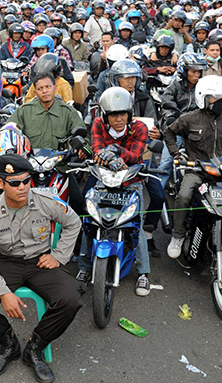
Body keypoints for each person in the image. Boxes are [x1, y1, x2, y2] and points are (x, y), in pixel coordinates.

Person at [0, 154, 81, 383]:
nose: (23, 187)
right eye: (15, 183)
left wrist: (58, 256)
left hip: (39, 262)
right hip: (6, 263)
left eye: (27, 181)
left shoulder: (46, 202)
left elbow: (73, 222)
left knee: (70, 300)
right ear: (0, 183)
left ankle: (35, 347)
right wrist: (3, 293)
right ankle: (9, 344)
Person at [77, 87, 163, 294]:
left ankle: (143, 273)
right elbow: (96, 150)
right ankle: (83, 268)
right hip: (103, 179)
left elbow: (135, 156)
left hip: (131, 180)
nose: (119, 119)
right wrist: (111, 156)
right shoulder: (98, 124)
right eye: (113, 114)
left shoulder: (140, 127)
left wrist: (115, 152)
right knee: (89, 219)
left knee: (136, 225)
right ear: (105, 115)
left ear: (129, 114)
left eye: (122, 113)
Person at [164, 76, 222, 258]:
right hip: (197, 170)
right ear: (203, 98)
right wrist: (177, 153)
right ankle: (178, 235)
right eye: (216, 98)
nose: (221, 102)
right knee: (184, 196)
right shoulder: (190, 119)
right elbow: (169, 132)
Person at [8, 73, 85, 216]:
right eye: (40, 88)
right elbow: (9, 131)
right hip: (29, 168)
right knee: (9, 200)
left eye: (48, 87)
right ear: (35, 91)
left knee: (78, 202)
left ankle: (76, 237)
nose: (45, 91)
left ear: (55, 88)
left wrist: (81, 148)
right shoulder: (24, 111)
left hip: (59, 168)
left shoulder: (67, 111)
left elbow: (81, 134)